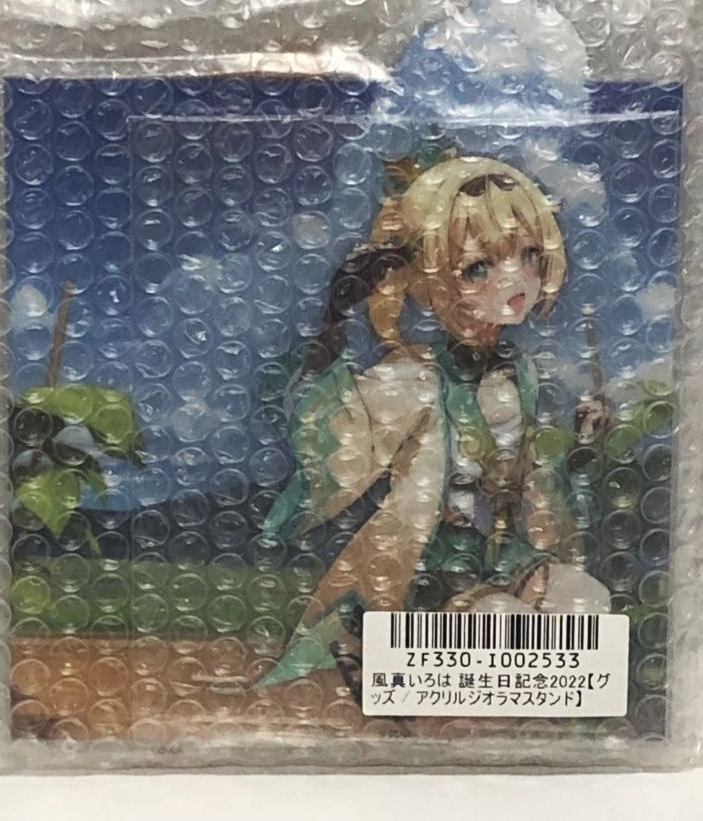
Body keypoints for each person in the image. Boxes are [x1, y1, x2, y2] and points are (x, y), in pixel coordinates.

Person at [258, 155, 611, 688]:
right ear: (434, 279)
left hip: (504, 555)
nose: (514, 279)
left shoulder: (523, 375)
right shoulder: (413, 378)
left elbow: (534, 485)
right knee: (500, 623)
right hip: (431, 567)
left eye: (530, 256)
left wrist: (580, 449)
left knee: (586, 600)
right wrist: (333, 322)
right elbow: (329, 448)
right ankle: (382, 654)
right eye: (478, 268)